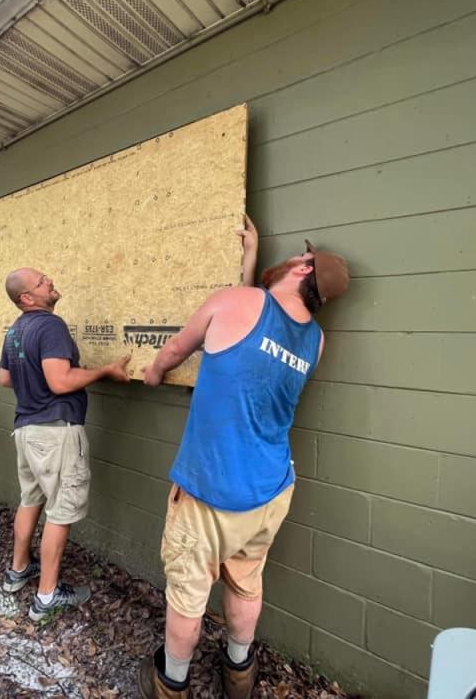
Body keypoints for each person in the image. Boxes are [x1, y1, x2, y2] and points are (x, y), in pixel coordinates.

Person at [137, 218, 350, 699]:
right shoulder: (316, 340)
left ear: (302, 266)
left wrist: (153, 371)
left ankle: (170, 685)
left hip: (212, 491)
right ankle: (239, 675)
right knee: (245, 583)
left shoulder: (235, 301)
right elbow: (258, 324)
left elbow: (177, 348)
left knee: (188, 598)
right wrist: (251, 258)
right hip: (270, 490)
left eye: (301, 255)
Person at [0, 267, 131, 621]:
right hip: (55, 431)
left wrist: (34, 385)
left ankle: (18, 571)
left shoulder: (15, 331)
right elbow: (60, 382)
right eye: (42, 282)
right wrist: (105, 370)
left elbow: (5, 378)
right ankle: (46, 596)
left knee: (31, 500)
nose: (50, 281)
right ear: (27, 298)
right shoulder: (50, 325)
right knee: (60, 512)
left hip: (27, 430)